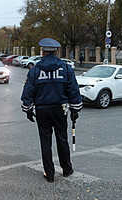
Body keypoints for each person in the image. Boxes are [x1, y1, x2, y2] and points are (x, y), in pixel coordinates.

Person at [21, 38, 82, 183]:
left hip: (42, 110)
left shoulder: (35, 70)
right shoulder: (66, 68)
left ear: (42, 51)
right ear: (56, 51)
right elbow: (73, 90)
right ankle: (67, 169)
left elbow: (28, 91)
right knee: (62, 139)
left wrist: (28, 109)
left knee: (45, 141)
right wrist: (75, 110)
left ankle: (49, 174)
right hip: (60, 109)